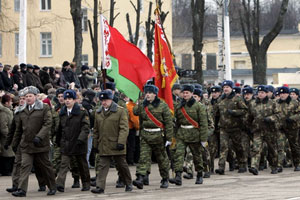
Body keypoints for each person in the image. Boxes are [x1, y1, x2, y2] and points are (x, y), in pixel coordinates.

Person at [12, 86, 56, 197]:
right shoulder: (22, 110)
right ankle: (22, 190)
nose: (28, 98)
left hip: (40, 144)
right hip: (26, 144)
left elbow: (48, 124)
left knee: (45, 167)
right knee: (24, 166)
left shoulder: (44, 108)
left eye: (30, 96)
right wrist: (14, 143)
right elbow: (19, 129)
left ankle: (52, 186)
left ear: (36, 96)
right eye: (26, 96)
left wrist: (39, 136)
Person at [91, 90, 132, 194]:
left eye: (105, 100)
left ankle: (128, 183)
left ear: (111, 99)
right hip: (104, 144)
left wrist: (121, 142)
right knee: (102, 166)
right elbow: (96, 130)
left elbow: (124, 128)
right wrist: (95, 145)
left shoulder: (120, 111)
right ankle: (100, 187)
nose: (103, 102)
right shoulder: (98, 112)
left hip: (116, 144)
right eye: (102, 100)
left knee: (122, 166)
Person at [132, 85, 173, 189]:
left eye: (150, 93)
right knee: (143, 158)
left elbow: (168, 122)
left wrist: (168, 138)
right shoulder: (142, 104)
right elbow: (135, 112)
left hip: (158, 136)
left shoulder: (162, 105)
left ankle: (165, 178)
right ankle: (140, 178)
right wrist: (139, 102)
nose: (148, 95)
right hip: (146, 135)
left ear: (155, 94)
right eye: (146, 93)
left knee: (162, 159)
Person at [170, 84, 208, 186]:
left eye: (187, 93)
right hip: (182, 134)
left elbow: (204, 124)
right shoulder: (179, 106)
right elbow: (177, 122)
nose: (185, 95)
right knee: (179, 155)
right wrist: (175, 135)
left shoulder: (199, 107)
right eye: (184, 93)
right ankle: (178, 176)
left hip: (194, 135)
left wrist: (203, 139)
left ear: (192, 93)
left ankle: (199, 174)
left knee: (197, 156)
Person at [55, 90, 91, 192]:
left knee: (82, 165)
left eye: (69, 99)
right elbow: (60, 128)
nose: (67, 101)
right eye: (65, 99)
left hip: (78, 143)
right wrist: (58, 140)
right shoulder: (62, 113)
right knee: (64, 164)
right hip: (66, 142)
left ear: (74, 100)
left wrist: (81, 139)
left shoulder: (81, 111)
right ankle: (60, 184)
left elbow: (85, 127)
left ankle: (86, 183)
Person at [215, 80, 248, 175]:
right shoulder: (220, 100)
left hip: (235, 128)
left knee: (238, 147)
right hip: (223, 128)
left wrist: (234, 112)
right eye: (224, 87)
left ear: (231, 88)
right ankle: (221, 167)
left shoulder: (237, 99)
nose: (225, 89)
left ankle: (242, 164)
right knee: (223, 147)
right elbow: (216, 113)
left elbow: (244, 110)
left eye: (227, 87)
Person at [248, 85, 280, 175]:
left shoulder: (272, 103)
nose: (260, 94)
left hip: (270, 130)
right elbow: (249, 116)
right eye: (259, 93)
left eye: (262, 93)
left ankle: (274, 166)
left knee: (272, 149)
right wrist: (249, 127)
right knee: (256, 149)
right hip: (257, 130)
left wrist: (270, 118)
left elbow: (278, 115)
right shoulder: (253, 103)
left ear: (266, 93)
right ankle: (254, 166)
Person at [276, 86, 300, 172]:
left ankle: (297, 164)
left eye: (284, 93)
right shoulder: (276, 103)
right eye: (280, 93)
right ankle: (279, 165)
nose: (282, 95)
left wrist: (292, 118)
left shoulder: (294, 102)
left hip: (292, 128)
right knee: (280, 146)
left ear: (287, 94)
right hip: (281, 128)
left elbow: (299, 114)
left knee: (294, 146)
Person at [0, 94, 14, 175]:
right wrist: (9, 135)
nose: (11, 103)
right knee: (7, 154)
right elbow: (3, 126)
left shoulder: (7, 110)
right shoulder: (4, 112)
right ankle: (6, 171)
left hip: (8, 135)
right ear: (6, 103)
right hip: (6, 137)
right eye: (10, 101)